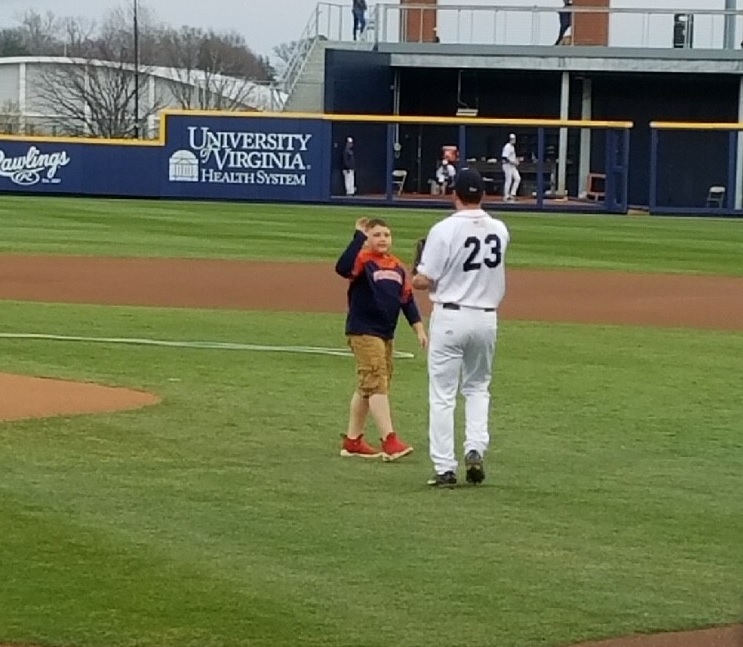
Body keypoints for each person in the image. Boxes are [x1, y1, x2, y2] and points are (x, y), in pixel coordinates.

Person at [412, 168, 510, 488]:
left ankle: (445, 468)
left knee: (443, 395)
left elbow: (424, 280)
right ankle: (475, 447)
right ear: (482, 194)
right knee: (478, 387)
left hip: (451, 317)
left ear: (454, 195)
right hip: (486, 318)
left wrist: (416, 270)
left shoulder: (444, 229)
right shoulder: (500, 229)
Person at [335, 216, 428, 461]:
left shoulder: (397, 266)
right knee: (376, 381)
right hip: (364, 331)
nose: (383, 239)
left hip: (385, 333)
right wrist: (357, 238)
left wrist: (418, 328)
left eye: (386, 234)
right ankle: (390, 440)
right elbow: (343, 268)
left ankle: (353, 441)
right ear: (368, 239)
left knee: (369, 385)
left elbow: (406, 300)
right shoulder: (363, 261)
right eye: (376, 235)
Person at [501, 133, 521, 202]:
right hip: (507, 165)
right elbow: (504, 158)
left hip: (512, 166)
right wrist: (513, 162)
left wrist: (516, 161)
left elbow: (511, 157)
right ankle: (506, 196)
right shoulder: (507, 146)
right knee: (508, 180)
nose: (514, 140)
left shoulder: (512, 147)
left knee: (517, 178)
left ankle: (512, 194)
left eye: (514, 139)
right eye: (513, 139)